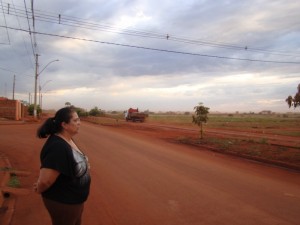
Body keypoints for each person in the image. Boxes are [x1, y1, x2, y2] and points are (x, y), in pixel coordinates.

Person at [34, 107, 91, 225]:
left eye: (79, 119)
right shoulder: (57, 147)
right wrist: (39, 188)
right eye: (75, 121)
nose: (79, 123)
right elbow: (45, 181)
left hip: (74, 200)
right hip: (63, 202)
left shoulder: (68, 140)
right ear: (64, 124)